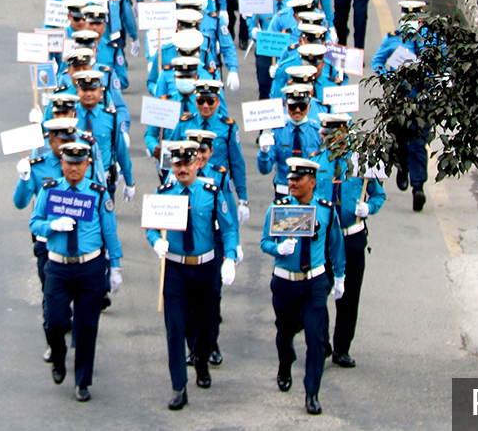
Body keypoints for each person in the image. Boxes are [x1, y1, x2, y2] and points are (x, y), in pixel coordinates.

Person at [29, 140, 123, 403]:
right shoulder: (50, 191)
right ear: (62, 163)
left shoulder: (98, 193)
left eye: (79, 163)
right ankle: (58, 357)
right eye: (69, 163)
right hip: (58, 266)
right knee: (55, 321)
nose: (73, 169)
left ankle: (83, 381)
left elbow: (110, 232)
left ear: (87, 164)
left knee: (87, 326)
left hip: (90, 267)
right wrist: (52, 226)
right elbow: (34, 223)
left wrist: (115, 266)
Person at [147, 142, 239, 410]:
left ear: (197, 164)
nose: (182, 169)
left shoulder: (211, 191)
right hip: (174, 269)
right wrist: (155, 242)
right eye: (177, 165)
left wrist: (230, 257)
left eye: (187, 164)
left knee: (205, 325)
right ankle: (179, 386)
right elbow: (152, 227)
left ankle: (201, 359)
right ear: (172, 166)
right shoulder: (164, 193)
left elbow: (228, 228)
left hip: (204, 267)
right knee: (175, 328)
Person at [261, 157, 345, 416]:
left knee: (316, 338)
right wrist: (279, 248)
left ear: (312, 182)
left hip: (314, 283)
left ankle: (312, 392)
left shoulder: (326, 209)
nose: (291, 183)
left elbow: (335, 244)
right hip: (286, 281)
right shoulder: (279, 208)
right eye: (290, 179)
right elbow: (265, 242)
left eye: (297, 180)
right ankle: (285, 363)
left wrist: (339, 276)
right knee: (284, 334)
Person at [324, 115, 386, 370]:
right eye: (326, 135)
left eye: (336, 134)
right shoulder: (317, 162)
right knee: (320, 291)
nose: (331, 139)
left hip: (352, 236)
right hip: (326, 239)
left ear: (345, 133)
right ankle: (321, 341)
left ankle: (342, 348)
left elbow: (378, 195)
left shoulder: (361, 161)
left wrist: (368, 207)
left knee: (349, 296)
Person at [371, 0, 432, 210]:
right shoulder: (394, 39)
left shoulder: (430, 41)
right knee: (399, 142)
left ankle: (418, 187)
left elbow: (441, 66)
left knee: (418, 144)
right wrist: (389, 78)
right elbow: (377, 61)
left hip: (421, 101)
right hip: (399, 102)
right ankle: (403, 167)